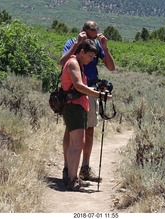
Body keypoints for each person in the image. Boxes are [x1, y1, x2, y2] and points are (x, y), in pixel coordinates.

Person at [60, 21, 116, 184]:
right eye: (92, 29)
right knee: (72, 131)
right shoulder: (73, 43)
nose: (95, 32)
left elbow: (111, 67)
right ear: (84, 30)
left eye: (97, 30)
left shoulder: (97, 46)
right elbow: (63, 62)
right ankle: (69, 170)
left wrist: (104, 48)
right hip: (75, 92)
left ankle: (83, 168)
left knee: (89, 129)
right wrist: (77, 43)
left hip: (90, 88)